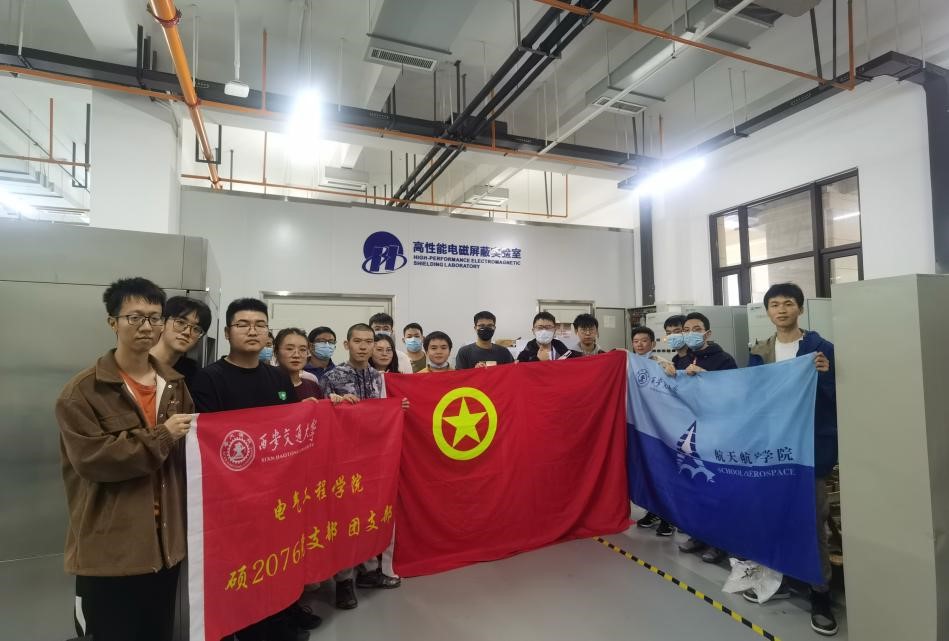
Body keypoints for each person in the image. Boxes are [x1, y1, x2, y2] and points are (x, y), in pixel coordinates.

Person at [56, 277, 193, 641]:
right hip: (110, 554)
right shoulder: (82, 392)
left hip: (165, 549)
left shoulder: (174, 385)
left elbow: (193, 452)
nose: (147, 326)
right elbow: (93, 460)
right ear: (112, 322)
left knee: (157, 633)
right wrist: (163, 435)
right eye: (135, 317)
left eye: (155, 317)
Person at [189, 298, 320, 640]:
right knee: (239, 568)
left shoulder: (277, 377)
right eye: (243, 324)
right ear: (227, 332)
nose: (252, 331)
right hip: (231, 496)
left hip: (275, 492)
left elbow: (289, 430)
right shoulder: (208, 379)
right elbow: (209, 439)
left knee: (275, 560)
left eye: (260, 325)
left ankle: (277, 621)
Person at [745, 283, 838, 637]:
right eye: (774, 304)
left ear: (800, 308)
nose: (781, 310)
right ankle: (780, 577)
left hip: (809, 450)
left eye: (788, 303)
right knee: (775, 515)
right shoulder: (759, 352)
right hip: (773, 450)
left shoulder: (821, 349)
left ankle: (820, 593)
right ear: (767, 311)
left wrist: (826, 376)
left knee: (813, 521)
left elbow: (839, 397)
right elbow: (748, 395)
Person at [321, 323, 407, 606]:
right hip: (343, 458)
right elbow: (319, 414)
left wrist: (398, 408)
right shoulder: (332, 376)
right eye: (357, 341)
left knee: (372, 511)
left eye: (368, 341)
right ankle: (344, 580)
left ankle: (370, 571)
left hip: (375, 457)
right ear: (347, 345)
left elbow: (385, 411)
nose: (363, 346)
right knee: (345, 517)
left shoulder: (380, 378)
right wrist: (332, 403)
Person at [662, 312, 737, 564]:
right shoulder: (680, 360)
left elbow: (733, 393)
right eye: (686, 329)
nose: (690, 333)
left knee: (716, 488)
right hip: (689, 431)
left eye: (696, 329)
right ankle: (698, 535)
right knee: (694, 487)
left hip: (715, 431)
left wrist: (706, 376)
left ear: (707, 333)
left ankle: (719, 542)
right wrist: (671, 375)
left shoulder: (723, 359)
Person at [629, 325, 675, 538]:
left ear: (653, 343)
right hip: (637, 424)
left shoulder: (660, 364)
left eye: (644, 341)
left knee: (661, 472)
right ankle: (653, 511)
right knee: (645, 471)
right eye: (636, 341)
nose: (640, 345)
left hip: (657, 427)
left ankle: (668, 518)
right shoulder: (628, 363)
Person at [149, 296, 211, 388]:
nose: (187, 332)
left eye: (196, 329)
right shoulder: (135, 362)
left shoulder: (192, 374)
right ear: (162, 323)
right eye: (181, 322)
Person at [275, 327, 334, 402]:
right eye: (289, 349)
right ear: (276, 352)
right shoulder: (266, 384)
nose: (296, 355)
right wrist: (300, 406)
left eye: (302, 349)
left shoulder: (313, 386)